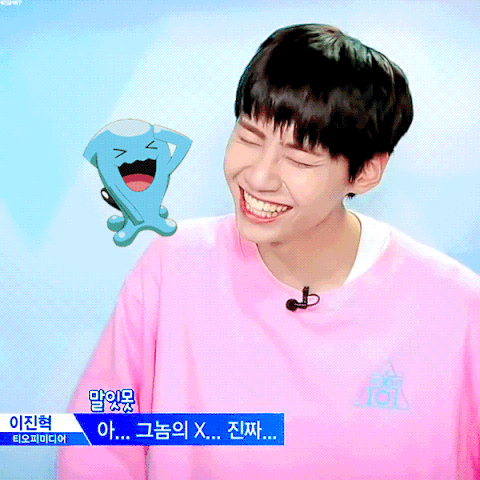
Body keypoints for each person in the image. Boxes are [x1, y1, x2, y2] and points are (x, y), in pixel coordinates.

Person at [57, 24, 480, 479]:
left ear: (365, 172)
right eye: (249, 138)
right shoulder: (174, 268)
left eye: (299, 159)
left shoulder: (455, 307)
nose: (258, 178)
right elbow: (97, 445)